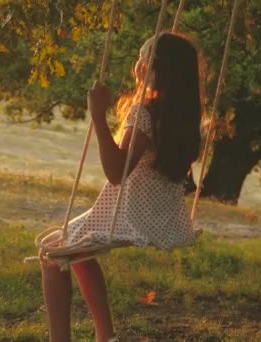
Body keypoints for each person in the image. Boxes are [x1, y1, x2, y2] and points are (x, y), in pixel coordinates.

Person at [40, 32, 203, 342]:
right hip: (161, 217)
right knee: (73, 249)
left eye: (143, 59)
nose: (137, 65)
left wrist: (98, 117)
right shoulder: (181, 116)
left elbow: (116, 172)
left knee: (52, 255)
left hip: (130, 216)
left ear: (157, 69)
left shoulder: (144, 114)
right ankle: (105, 336)